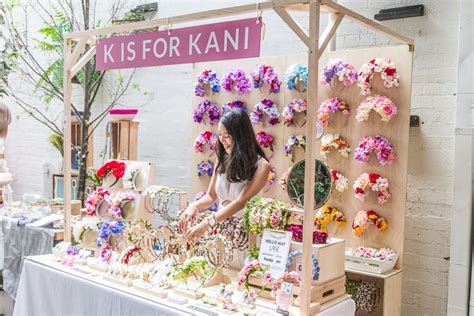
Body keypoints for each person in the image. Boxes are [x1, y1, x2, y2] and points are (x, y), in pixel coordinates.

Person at [179, 109, 271, 242]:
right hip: (221, 231)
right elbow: (211, 196)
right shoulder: (222, 159)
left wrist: (207, 223)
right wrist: (193, 206)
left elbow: (241, 201)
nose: (222, 140)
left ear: (241, 136)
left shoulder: (262, 166)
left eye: (227, 135)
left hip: (246, 234)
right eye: (220, 134)